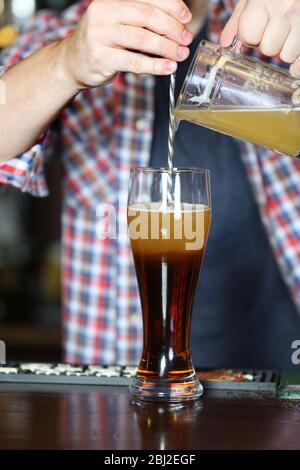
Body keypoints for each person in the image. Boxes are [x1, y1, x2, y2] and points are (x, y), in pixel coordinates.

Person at [0, 0, 300, 368]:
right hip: (127, 394)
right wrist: (66, 63)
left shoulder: (274, 18)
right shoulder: (65, 34)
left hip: (285, 375)